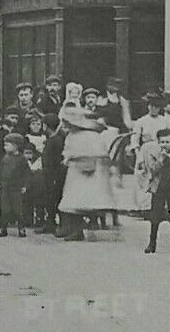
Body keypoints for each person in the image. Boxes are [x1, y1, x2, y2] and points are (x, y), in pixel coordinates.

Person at [58, 103, 115, 242]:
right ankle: (74, 230)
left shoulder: (87, 136)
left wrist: (72, 158)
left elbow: (96, 153)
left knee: (78, 202)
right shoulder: (75, 135)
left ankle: (77, 231)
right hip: (77, 171)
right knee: (74, 203)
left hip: (86, 173)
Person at [142, 128, 170, 254]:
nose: (164, 145)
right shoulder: (155, 156)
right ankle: (152, 242)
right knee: (155, 215)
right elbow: (152, 170)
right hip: (159, 188)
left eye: (167, 142)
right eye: (162, 142)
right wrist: (161, 160)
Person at [0, 133, 31, 237]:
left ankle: (21, 228)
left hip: (16, 188)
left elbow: (27, 174)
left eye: (7, 145)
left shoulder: (22, 159)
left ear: (16, 146)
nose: (4, 147)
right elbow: (0, 172)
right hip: (5, 187)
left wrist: (25, 186)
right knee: (4, 209)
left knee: (18, 209)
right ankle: (3, 228)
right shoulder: (4, 159)